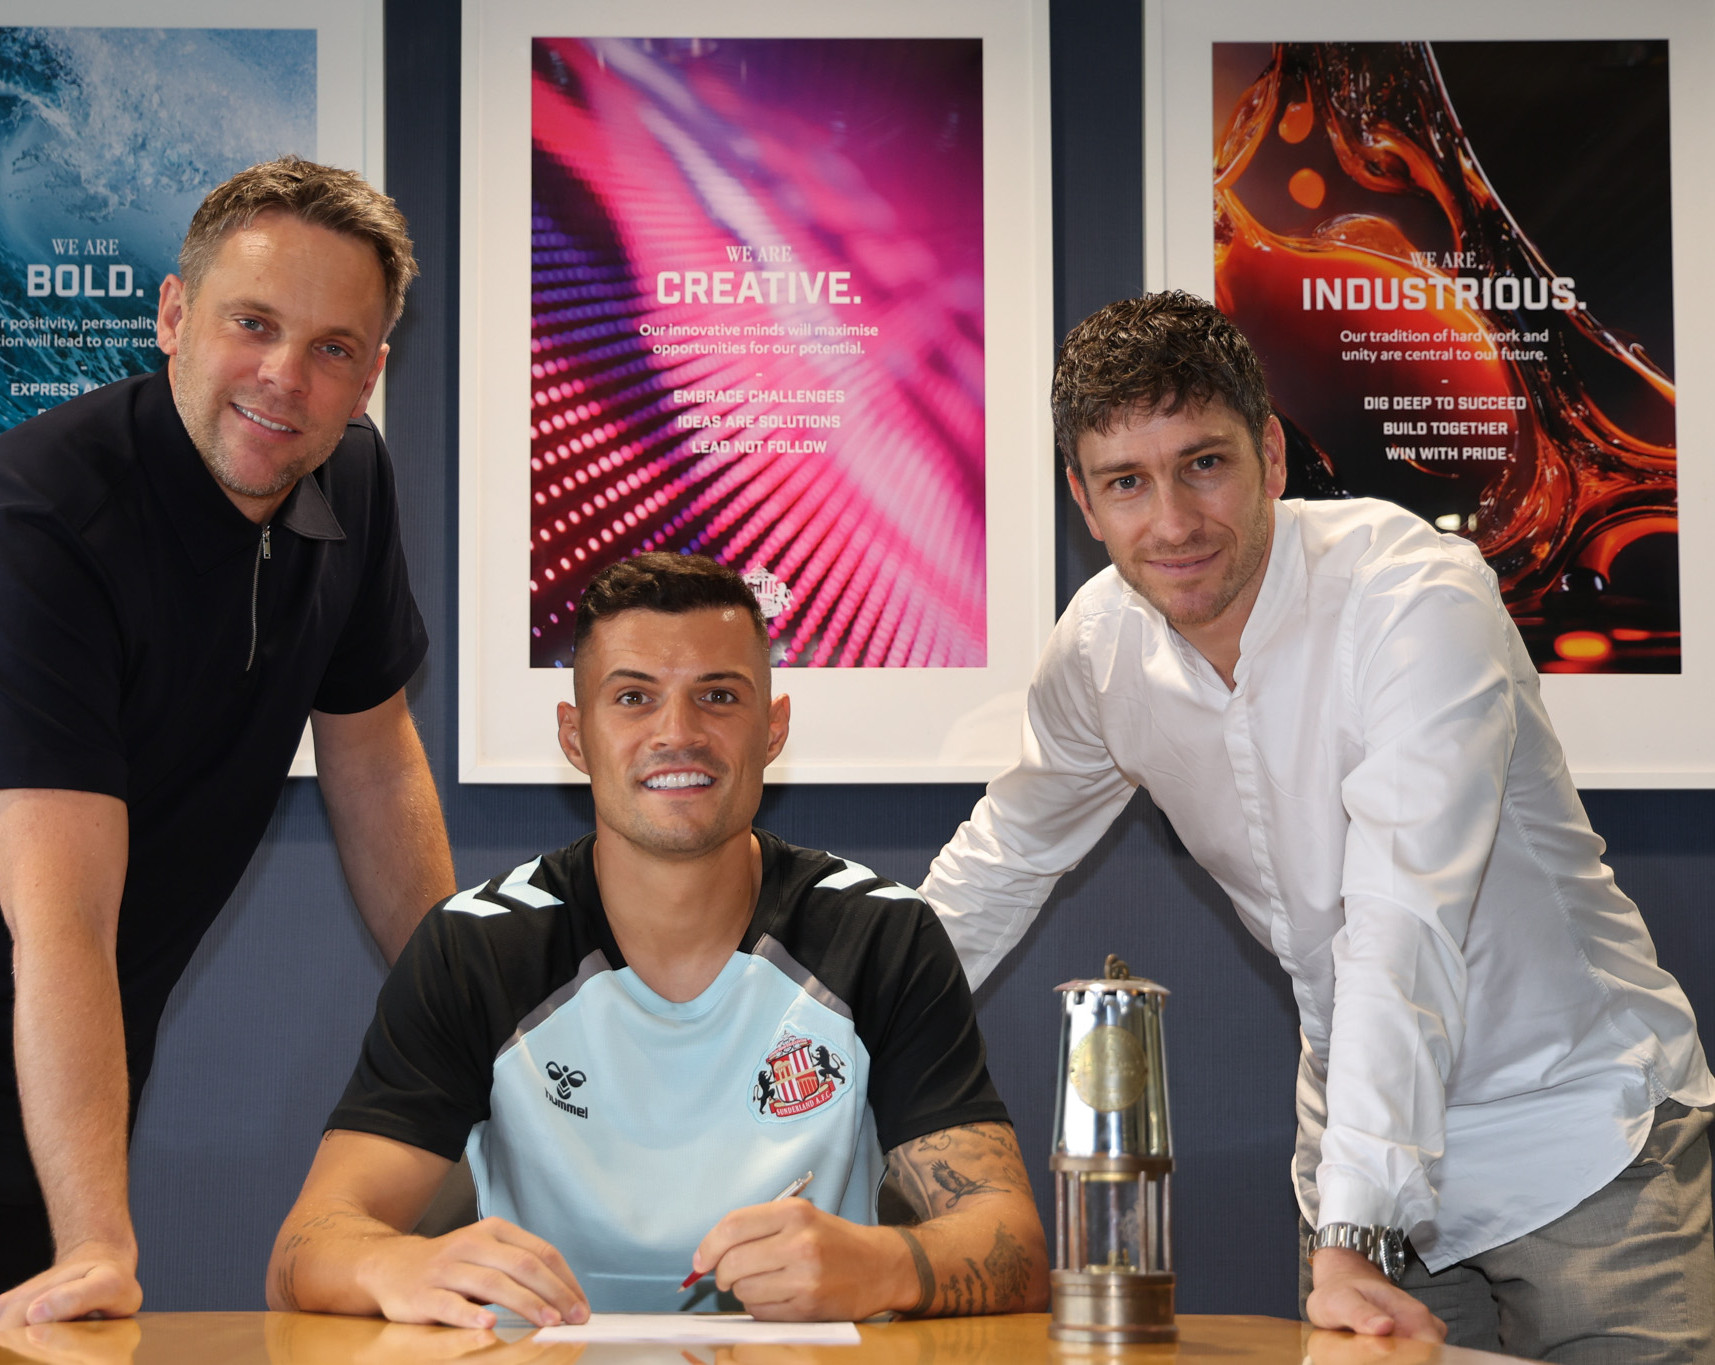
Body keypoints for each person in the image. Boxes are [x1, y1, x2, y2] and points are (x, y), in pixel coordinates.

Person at [0, 156, 455, 1364]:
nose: (285, 377)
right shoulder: (35, 522)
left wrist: (471, 1036)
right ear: (173, 316)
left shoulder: (349, 480)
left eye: (332, 348)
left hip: (56, 1031)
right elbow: (61, 920)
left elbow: (374, 766)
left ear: (372, 371)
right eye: (252, 324)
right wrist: (99, 1245)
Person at [921, 291, 1714, 1362]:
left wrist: (1353, 1233)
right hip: (1356, 1168)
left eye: (1203, 463)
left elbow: (1399, 918)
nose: (1172, 522)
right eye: (1126, 482)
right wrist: (814, 1064)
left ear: (1270, 453)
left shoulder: (1413, 596)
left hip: (1580, 1139)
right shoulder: (1100, 649)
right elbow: (1001, 861)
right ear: (1084, 499)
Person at [267, 553, 1046, 1325]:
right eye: (634, 697)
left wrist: (883, 1265)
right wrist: (400, 1261)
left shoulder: (881, 933)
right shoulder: (473, 946)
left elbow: (1012, 1240)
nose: (678, 732)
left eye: (718, 695)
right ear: (575, 736)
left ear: (774, 728)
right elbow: (309, 1243)